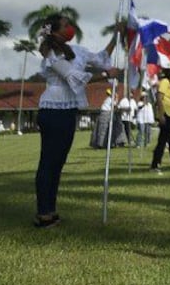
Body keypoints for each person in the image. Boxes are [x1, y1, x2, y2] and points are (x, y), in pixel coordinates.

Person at [34, 14, 118, 227]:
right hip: (53, 110)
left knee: (58, 162)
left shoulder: (77, 50)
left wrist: (116, 37)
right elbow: (73, 76)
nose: (70, 28)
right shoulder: (51, 54)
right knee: (49, 163)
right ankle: (44, 212)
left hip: (68, 109)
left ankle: (51, 210)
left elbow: (99, 59)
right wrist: (107, 75)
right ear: (53, 31)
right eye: (65, 25)